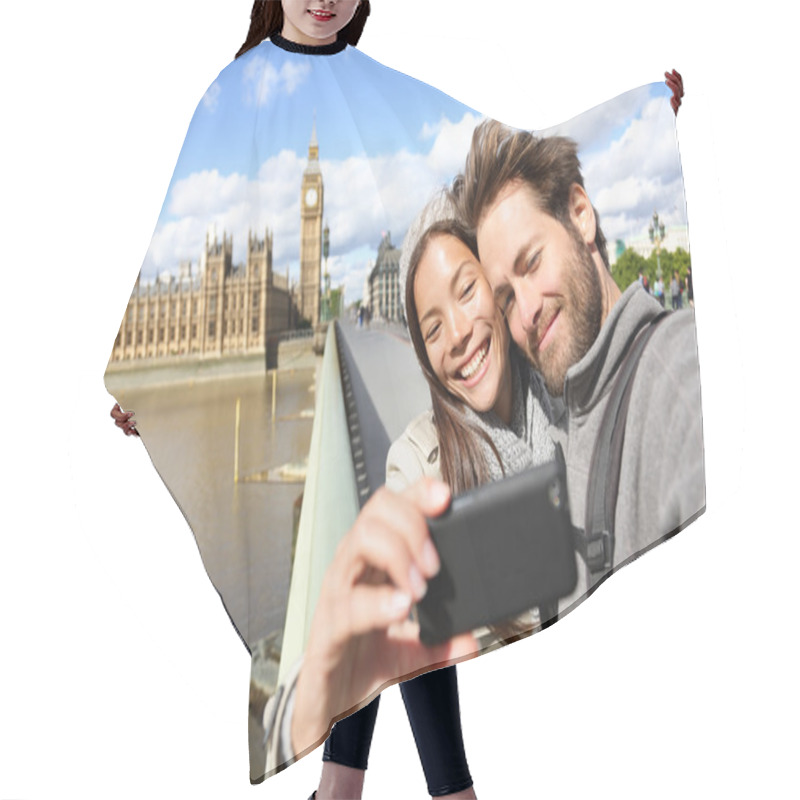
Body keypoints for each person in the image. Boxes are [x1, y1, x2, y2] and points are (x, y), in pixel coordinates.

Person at [287, 190, 557, 798]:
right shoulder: (415, 457)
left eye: (467, 290)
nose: (458, 334)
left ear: (497, 286)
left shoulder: (569, 388)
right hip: (453, 627)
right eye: (432, 326)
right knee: (388, 577)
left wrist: (675, 130)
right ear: (422, 353)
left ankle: (341, 789)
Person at [458, 118, 705, 607]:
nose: (526, 312)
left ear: (580, 215)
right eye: (505, 298)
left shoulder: (678, 377)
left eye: (531, 263)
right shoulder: (555, 417)